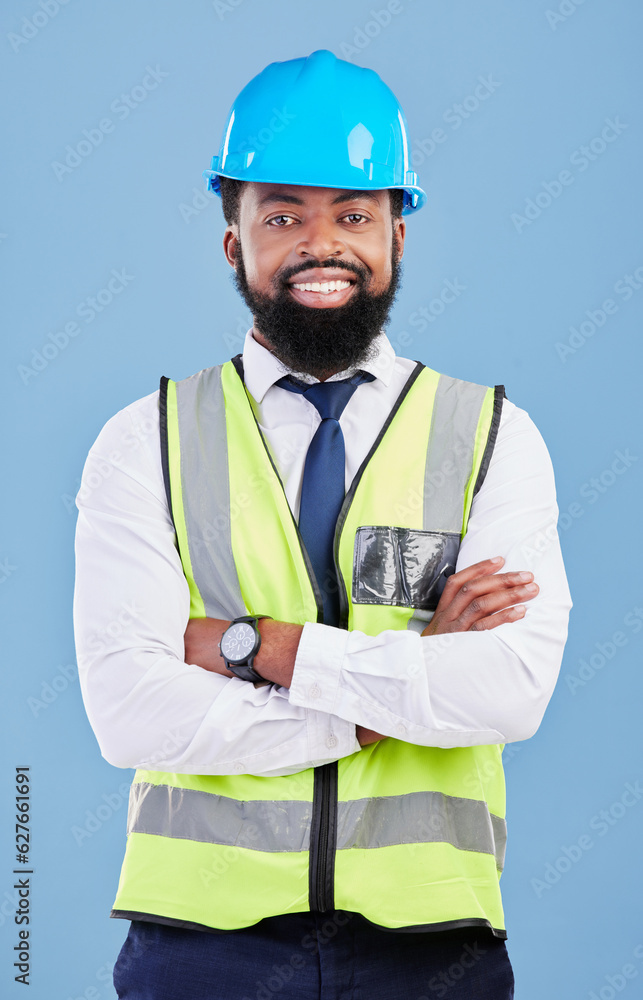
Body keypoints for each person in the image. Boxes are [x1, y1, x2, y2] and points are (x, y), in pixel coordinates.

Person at [73, 50, 571, 1000]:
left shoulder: (491, 437)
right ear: (235, 245)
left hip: (431, 946)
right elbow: (128, 709)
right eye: (283, 215)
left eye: (353, 215)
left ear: (395, 237)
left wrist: (254, 647)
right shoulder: (146, 441)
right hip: (199, 945)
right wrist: (392, 704)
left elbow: (508, 692)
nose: (321, 243)